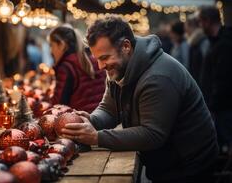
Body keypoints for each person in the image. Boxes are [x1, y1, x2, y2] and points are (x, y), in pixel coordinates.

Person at [61, 17, 218, 182]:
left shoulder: (158, 77)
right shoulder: (118, 68)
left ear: (126, 46)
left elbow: (152, 134)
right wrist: (91, 121)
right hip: (167, 160)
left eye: (105, 57)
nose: (100, 66)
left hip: (189, 166)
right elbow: (108, 109)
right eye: (97, 59)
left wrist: (97, 137)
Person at [48, 25, 106, 113]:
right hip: (100, 116)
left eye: (52, 45)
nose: (51, 51)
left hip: (79, 120)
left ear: (61, 44)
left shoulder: (66, 66)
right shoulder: (92, 58)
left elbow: (58, 105)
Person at [199, 6, 232, 152]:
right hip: (219, 107)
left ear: (207, 21)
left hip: (224, 109)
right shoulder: (215, 42)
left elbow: (222, 79)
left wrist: (212, 105)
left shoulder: (225, 44)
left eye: (201, 22)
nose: (200, 26)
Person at [185, 13, 210, 88]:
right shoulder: (194, 41)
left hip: (202, 84)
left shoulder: (202, 41)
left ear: (191, 26)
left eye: (186, 26)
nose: (185, 29)